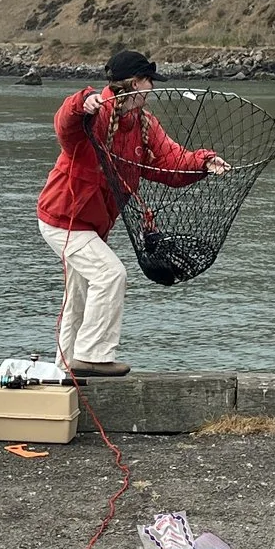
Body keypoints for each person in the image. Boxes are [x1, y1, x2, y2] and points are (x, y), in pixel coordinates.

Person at [34, 47, 226, 378]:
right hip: (62, 219)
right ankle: (92, 356)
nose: (152, 89)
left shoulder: (144, 123)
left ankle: (65, 369)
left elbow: (169, 161)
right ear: (136, 83)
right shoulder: (94, 114)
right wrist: (82, 102)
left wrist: (204, 162)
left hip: (90, 225)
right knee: (111, 275)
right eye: (149, 82)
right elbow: (65, 125)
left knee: (79, 295)